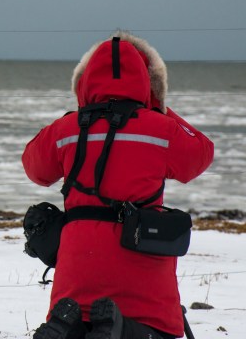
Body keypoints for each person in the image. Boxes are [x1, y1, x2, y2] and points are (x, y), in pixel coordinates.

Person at [22, 32, 214, 339]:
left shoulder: (67, 128)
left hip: (76, 270)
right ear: (147, 83)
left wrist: (76, 113)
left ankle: (69, 328)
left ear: (83, 83)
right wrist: (159, 106)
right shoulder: (160, 129)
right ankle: (122, 330)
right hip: (142, 268)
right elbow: (201, 154)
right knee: (154, 330)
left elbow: (34, 168)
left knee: (77, 317)